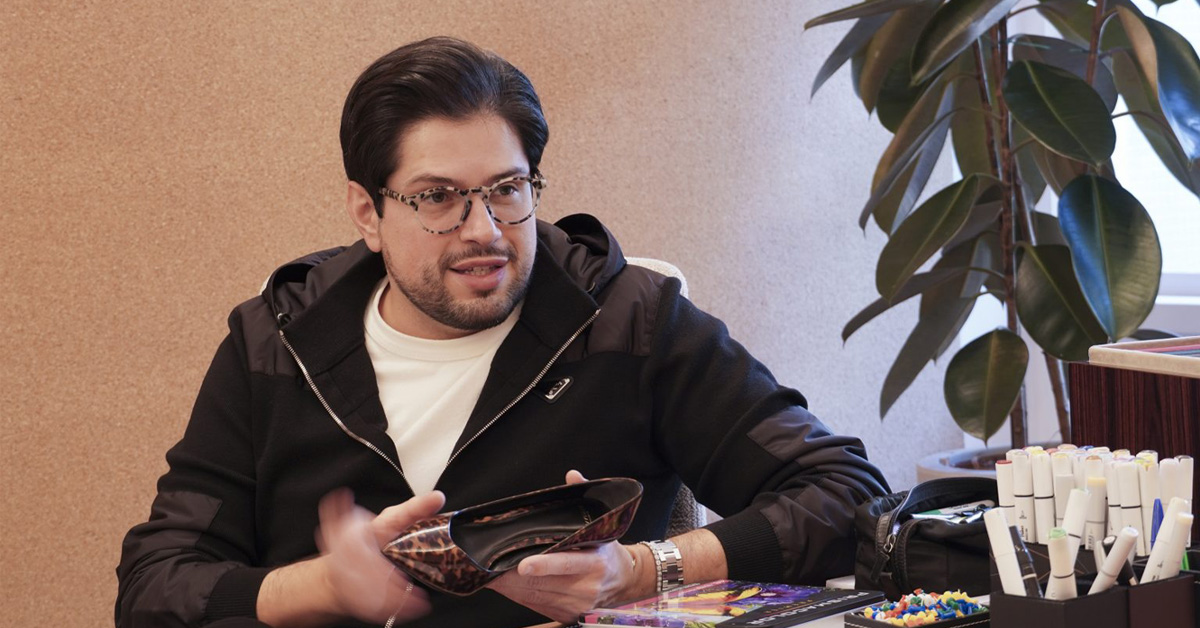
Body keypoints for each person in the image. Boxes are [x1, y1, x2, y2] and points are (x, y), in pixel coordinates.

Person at [115, 36, 890, 628]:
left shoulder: (627, 321)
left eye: (507, 189)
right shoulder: (276, 343)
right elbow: (154, 585)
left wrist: (640, 570)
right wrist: (323, 585)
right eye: (437, 197)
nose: (483, 229)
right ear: (367, 214)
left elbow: (845, 496)